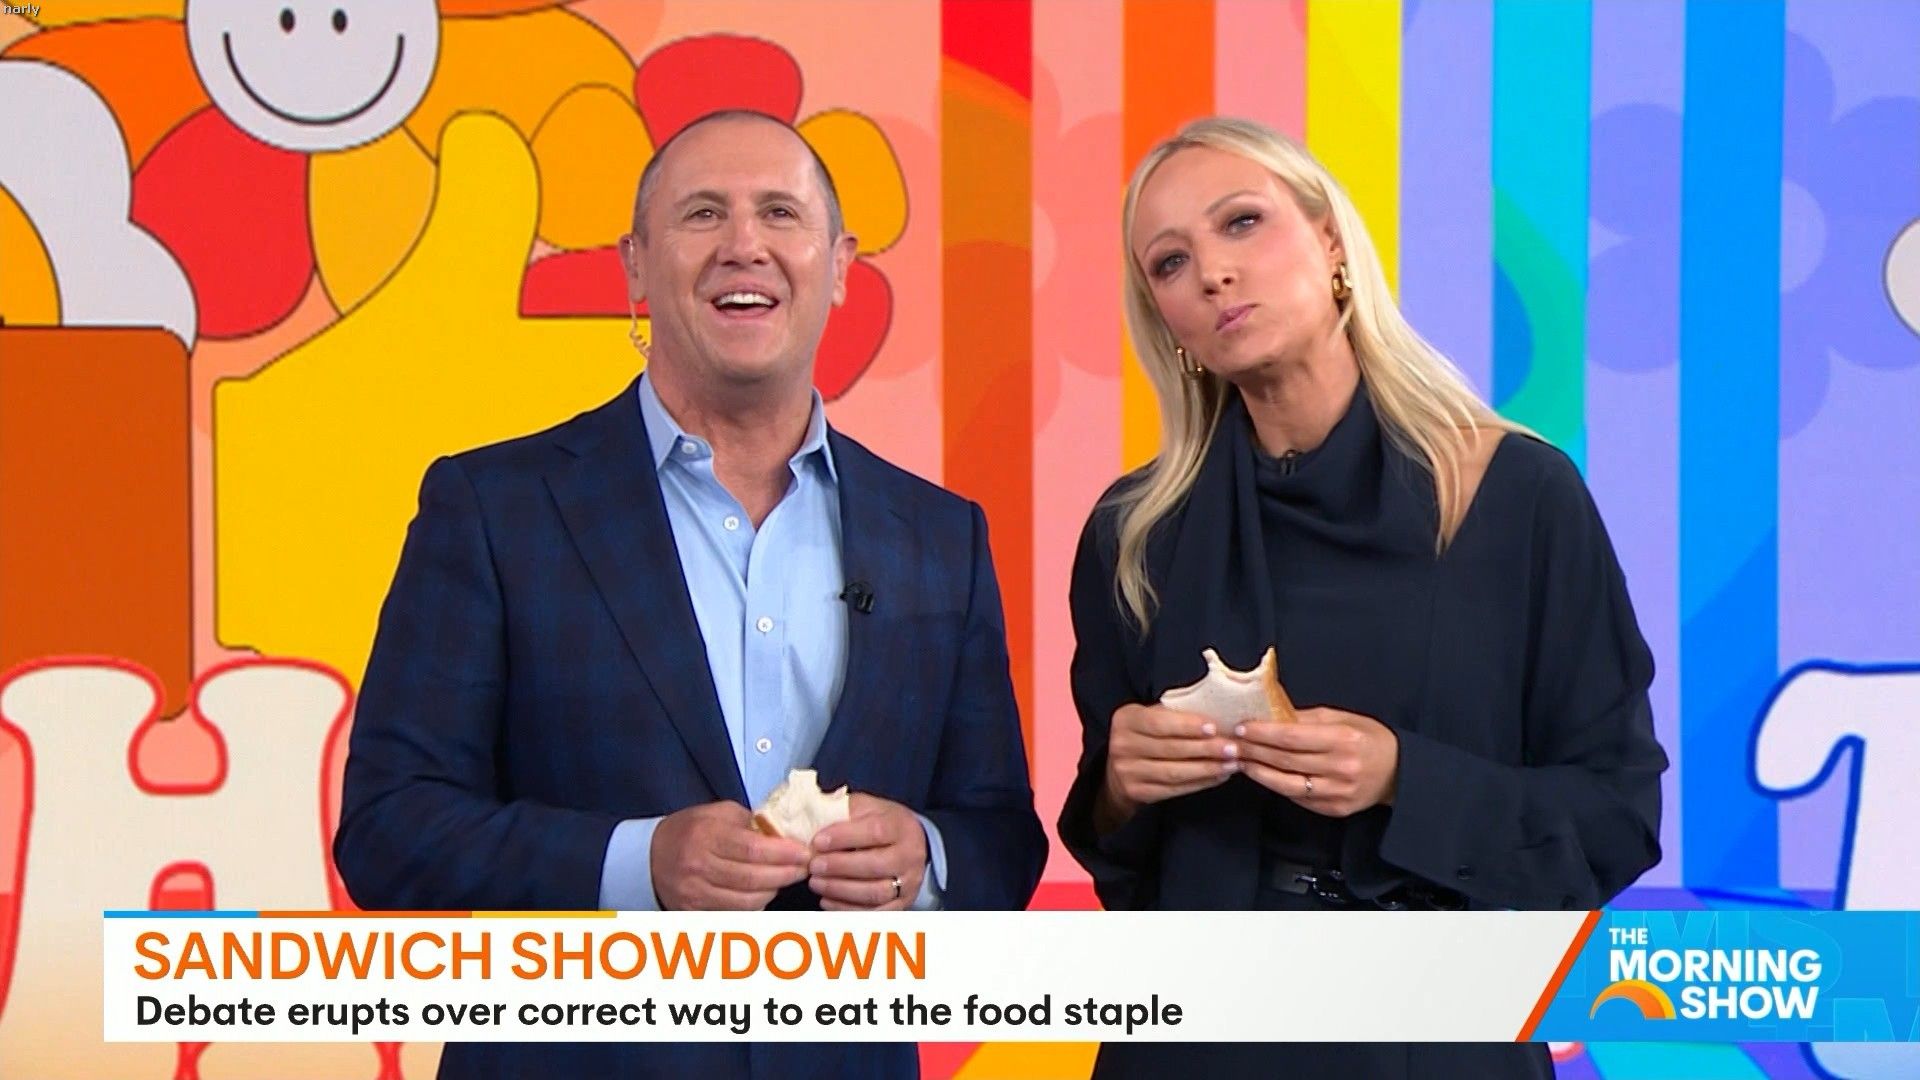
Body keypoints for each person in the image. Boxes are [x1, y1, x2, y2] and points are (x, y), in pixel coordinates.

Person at [335, 109, 1047, 1080]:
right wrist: (640, 862)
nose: (743, 244)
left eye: (780, 214)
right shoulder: (496, 508)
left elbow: (998, 836)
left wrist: (924, 856)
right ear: (635, 267)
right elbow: (390, 831)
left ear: (840, 266)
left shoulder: (938, 536)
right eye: (703, 213)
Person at [1056, 116, 1668, 1079]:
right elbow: (1118, 863)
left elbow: (1614, 820)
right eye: (1170, 262)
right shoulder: (1134, 533)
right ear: (1165, 321)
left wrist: (1401, 779)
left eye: (1242, 222)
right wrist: (1119, 788)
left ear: (1332, 241)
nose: (1213, 273)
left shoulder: (1517, 495)